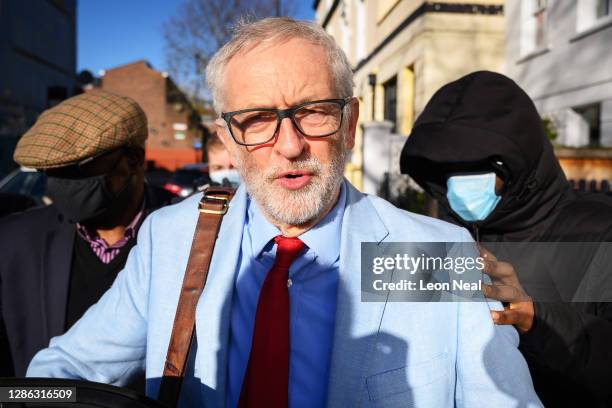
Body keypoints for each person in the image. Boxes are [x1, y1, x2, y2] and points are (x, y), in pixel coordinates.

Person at [27, 19, 541, 407]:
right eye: (255, 120)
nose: (290, 145)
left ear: (350, 122)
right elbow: (62, 373)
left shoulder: (429, 254)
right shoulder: (173, 237)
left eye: (314, 112)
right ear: (228, 138)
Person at [400, 70, 612, 407]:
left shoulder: (599, 231)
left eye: (479, 165)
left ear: (518, 163)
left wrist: (536, 320)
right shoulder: (442, 238)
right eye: (448, 170)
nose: (461, 183)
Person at [0, 90, 173, 378]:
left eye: (77, 170)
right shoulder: (14, 242)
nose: (61, 185)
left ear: (134, 159)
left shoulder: (190, 231)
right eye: (52, 173)